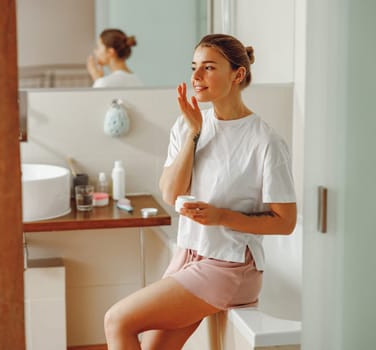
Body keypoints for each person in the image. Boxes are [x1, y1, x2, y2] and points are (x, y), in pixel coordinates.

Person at [103, 34, 297, 350]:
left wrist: (221, 217)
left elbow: (285, 222)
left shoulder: (265, 142)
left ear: (238, 74)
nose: (196, 77)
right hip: (189, 255)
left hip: (231, 266)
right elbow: (170, 192)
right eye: (194, 67)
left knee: (117, 320)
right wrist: (195, 133)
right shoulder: (188, 126)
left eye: (208, 68)